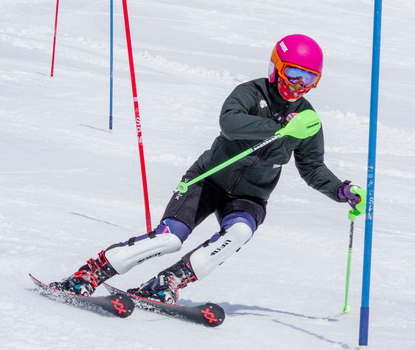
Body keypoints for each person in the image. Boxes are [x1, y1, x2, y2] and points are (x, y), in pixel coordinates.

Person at [52, 34, 364, 304]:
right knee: (170, 239)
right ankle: (90, 274)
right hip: (208, 180)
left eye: (308, 79)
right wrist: (279, 126)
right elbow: (229, 124)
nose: (298, 85)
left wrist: (340, 190)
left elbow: (311, 167)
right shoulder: (251, 93)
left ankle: (167, 283)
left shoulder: (308, 119)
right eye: (293, 73)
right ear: (276, 68)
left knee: (239, 233)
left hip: (250, 197)